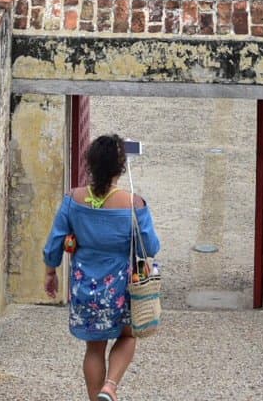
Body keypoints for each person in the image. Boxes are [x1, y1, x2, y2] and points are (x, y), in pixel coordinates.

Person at [43, 134, 160, 401]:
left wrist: (51, 271)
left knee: (94, 349)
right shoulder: (134, 203)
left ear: (90, 164)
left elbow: (55, 242)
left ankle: (97, 397)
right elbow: (150, 247)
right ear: (120, 168)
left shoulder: (73, 199)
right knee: (128, 336)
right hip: (120, 286)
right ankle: (110, 386)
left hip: (85, 284)